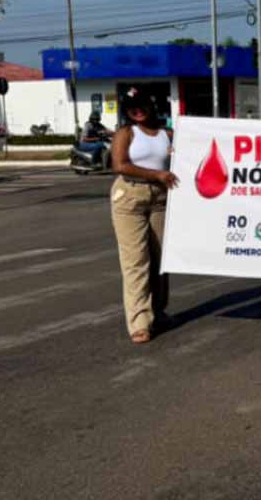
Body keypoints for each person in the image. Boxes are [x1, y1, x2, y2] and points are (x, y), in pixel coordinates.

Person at [110, 88, 179, 344]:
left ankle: (158, 312)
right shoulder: (125, 133)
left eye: (141, 104)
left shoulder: (167, 134)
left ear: (152, 104)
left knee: (161, 260)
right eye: (130, 106)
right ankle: (139, 321)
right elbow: (119, 165)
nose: (136, 110)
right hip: (129, 197)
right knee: (136, 261)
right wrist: (156, 175)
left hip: (161, 199)